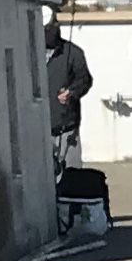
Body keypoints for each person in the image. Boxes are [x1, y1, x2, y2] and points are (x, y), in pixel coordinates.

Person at [43, 11, 91, 159]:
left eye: (52, 26)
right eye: (45, 29)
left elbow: (84, 79)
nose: (49, 32)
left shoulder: (73, 53)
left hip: (67, 129)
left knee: (71, 171)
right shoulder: (27, 53)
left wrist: (71, 92)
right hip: (39, 131)